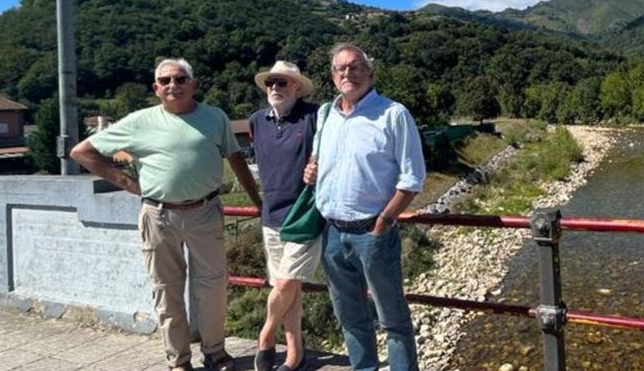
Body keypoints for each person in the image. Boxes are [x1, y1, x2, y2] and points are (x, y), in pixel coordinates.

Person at [70, 58, 260, 371]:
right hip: (158, 217)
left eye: (181, 78)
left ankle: (215, 352)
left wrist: (257, 201)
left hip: (206, 211)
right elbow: (82, 152)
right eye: (166, 80)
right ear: (156, 88)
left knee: (212, 288)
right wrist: (125, 182)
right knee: (166, 291)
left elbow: (236, 158)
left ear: (193, 84)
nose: (174, 84)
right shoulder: (138, 121)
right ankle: (178, 361)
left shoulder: (215, 117)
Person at [303, 43, 425, 371]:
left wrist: (384, 221)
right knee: (350, 318)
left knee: (392, 319)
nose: (348, 73)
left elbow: (412, 178)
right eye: (341, 68)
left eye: (356, 67)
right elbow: (317, 159)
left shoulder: (393, 113)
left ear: (370, 74)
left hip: (373, 232)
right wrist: (311, 169)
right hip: (331, 232)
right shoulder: (325, 114)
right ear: (333, 77)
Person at [248, 61, 321, 371]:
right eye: (271, 83)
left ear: (297, 88)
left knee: (286, 281)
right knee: (289, 288)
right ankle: (295, 355)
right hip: (271, 215)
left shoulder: (315, 116)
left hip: (305, 213)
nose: (275, 88)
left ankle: (265, 336)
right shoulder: (256, 121)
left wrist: (319, 167)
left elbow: (332, 151)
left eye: (283, 83)